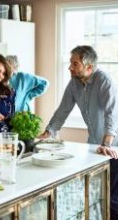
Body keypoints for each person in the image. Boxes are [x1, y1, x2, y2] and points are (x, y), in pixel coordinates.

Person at [38, 45, 118, 219]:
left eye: (75, 64)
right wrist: (48, 133)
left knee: (113, 197)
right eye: (70, 63)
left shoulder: (103, 80)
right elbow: (63, 110)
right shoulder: (74, 83)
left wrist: (107, 144)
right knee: (98, 193)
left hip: (113, 146)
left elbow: (112, 112)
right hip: (95, 145)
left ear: (89, 67)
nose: (70, 68)